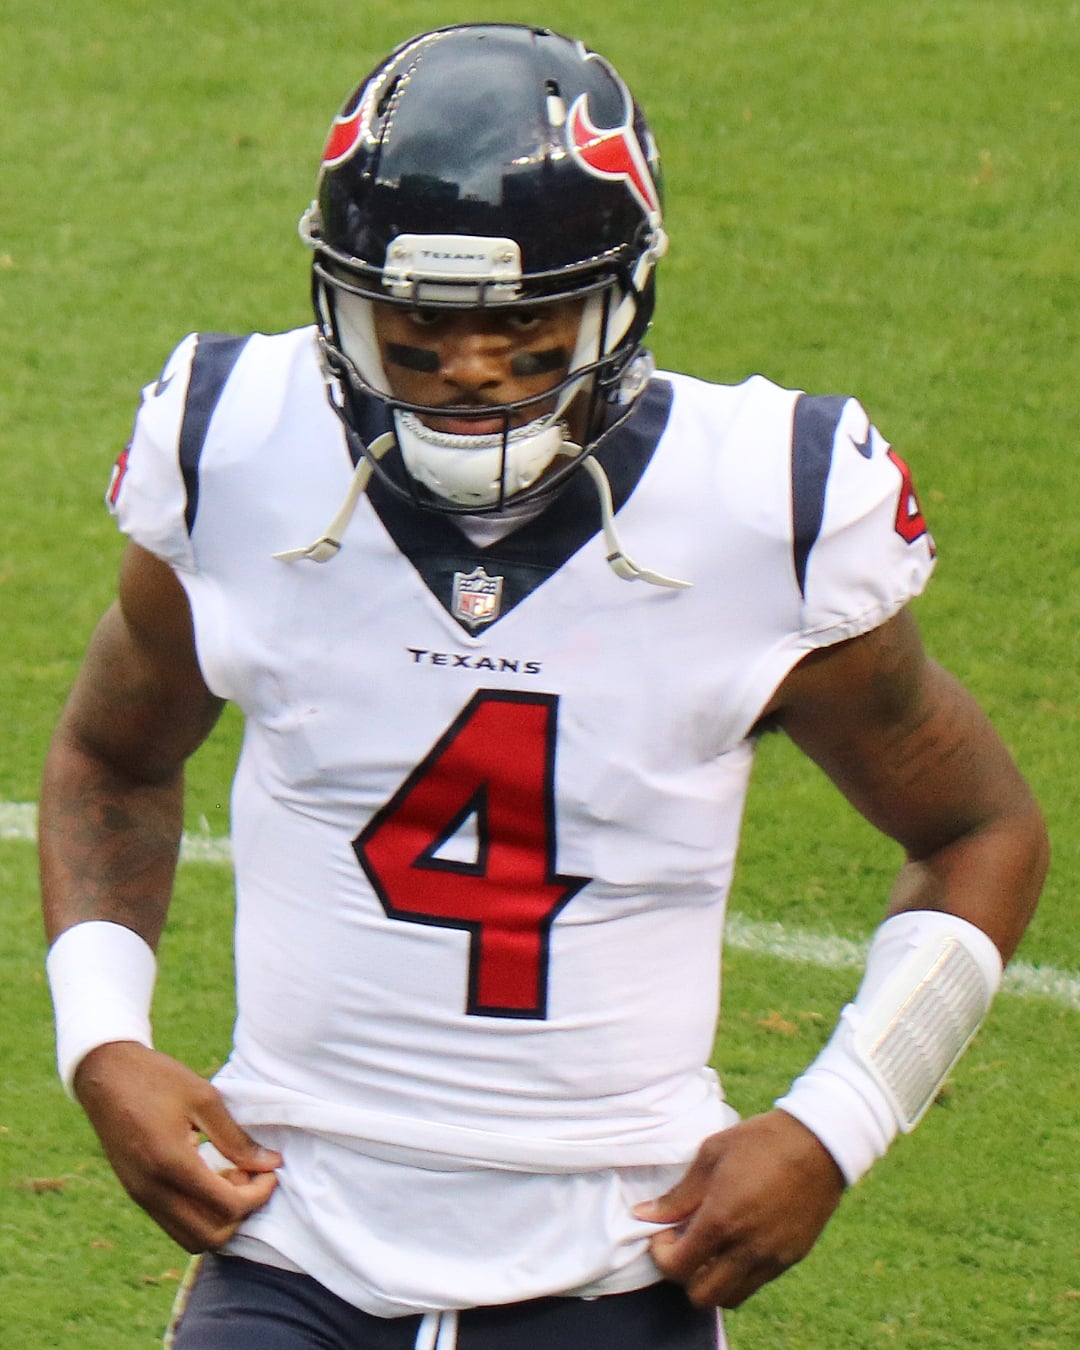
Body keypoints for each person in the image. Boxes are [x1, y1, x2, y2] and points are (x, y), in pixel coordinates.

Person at [40, 22, 1048, 1350]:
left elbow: (981, 829)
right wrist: (102, 1040)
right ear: (341, 301)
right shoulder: (235, 449)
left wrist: (838, 1119)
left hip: (619, 1261)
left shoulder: (767, 508)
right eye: (421, 324)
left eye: (522, 327)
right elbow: (112, 754)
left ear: (618, 301)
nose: (466, 367)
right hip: (288, 1244)